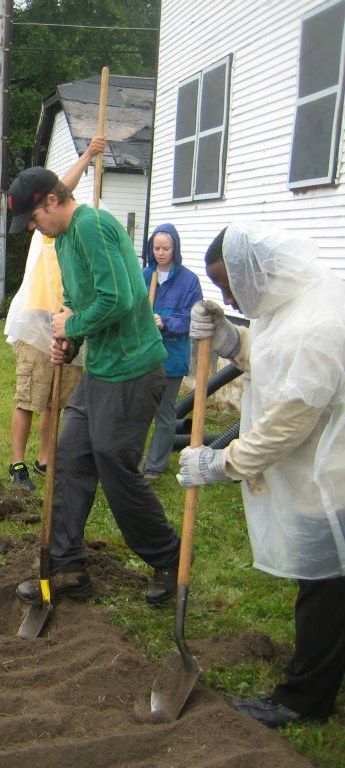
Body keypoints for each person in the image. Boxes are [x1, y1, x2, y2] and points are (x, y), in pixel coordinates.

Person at [179, 223, 345, 727]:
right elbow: (274, 357)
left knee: (326, 589)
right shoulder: (291, 298)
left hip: (333, 475)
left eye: (230, 286)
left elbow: (287, 423)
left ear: (257, 271)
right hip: (322, 469)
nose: (227, 296)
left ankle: (304, 698)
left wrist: (222, 462)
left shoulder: (320, 324)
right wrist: (234, 340)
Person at [7, 165, 181, 606]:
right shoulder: (62, 239)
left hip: (133, 369)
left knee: (114, 464)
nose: (32, 226)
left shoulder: (92, 227)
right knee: (70, 458)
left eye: (32, 217)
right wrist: (71, 341)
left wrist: (74, 323)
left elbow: (120, 299)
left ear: (51, 200)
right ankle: (67, 568)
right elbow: (82, 303)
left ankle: (170, 558)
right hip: (101, 368)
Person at [4, 138, 104, 490]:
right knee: (30, 395)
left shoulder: (74, 233)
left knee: (57, 400)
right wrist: (88, 156)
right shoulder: (45, 228)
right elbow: (62, 187)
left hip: (72, 320)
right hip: (36, 321)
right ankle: (17, 464)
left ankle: (46, 458)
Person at [141, 224, 203, 479]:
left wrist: (165, 322)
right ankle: (132, 459)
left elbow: (192, 316)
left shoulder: (189, 281)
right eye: (156, 248)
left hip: (171, 357)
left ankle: (155, 463)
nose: (161, 253)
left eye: (166, 248)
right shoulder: (144, 275)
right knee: (140, 410)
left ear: (175, 249)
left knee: (164, 411)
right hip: (144, 356)